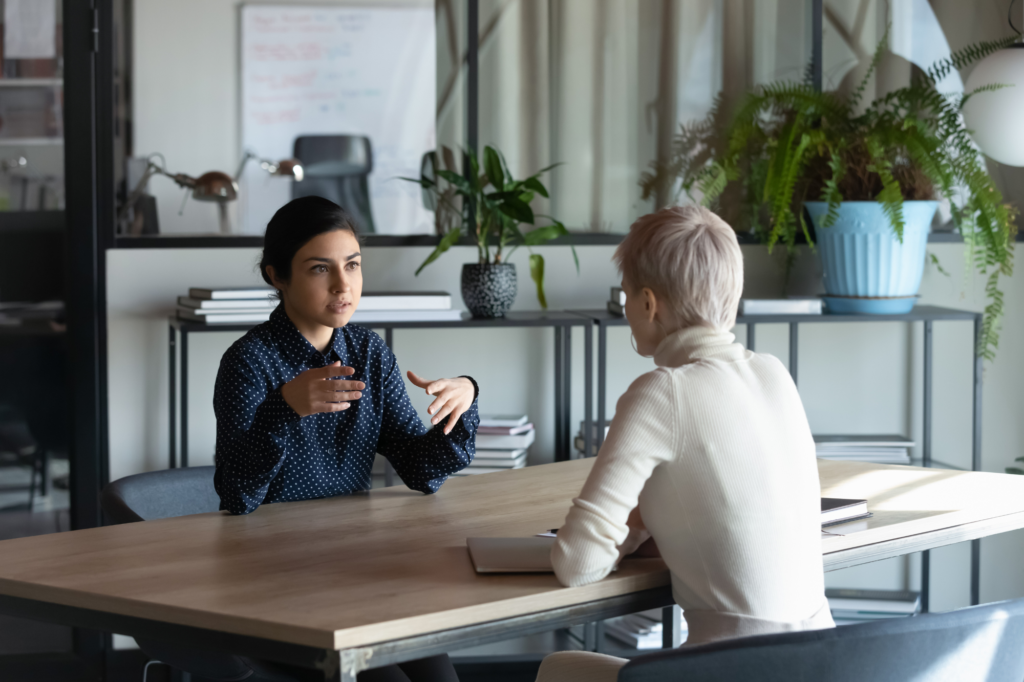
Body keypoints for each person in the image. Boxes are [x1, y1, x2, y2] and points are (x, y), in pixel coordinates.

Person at [536, 206, 833, 682]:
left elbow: (577, 563)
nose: (628, 308)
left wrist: (633, 526)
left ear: (649, 304)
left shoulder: (661, 392)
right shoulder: (774, 373)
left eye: (627, 295)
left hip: (732, 672)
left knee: (558, 669)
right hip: (826, 663)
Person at [213, 196, 476, 682]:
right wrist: (283, 408)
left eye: (352, 265)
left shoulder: (369, 351)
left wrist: (463, 399)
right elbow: (237, 494)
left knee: (442, 678)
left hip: (358, 565)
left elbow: (419, 469)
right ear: (277, 276)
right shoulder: (248, 362)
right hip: (274, 581)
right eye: (319, 269)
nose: (343, 285)